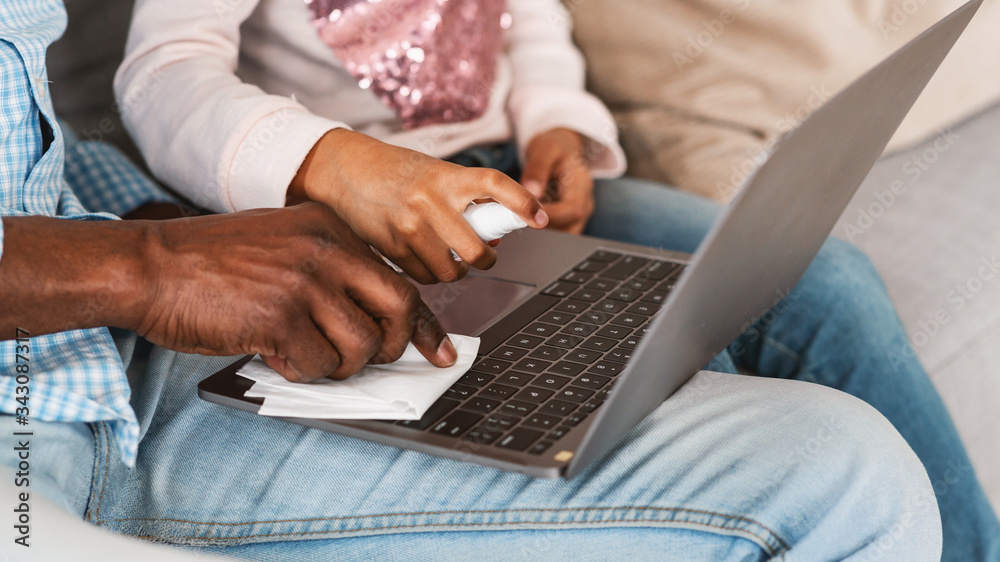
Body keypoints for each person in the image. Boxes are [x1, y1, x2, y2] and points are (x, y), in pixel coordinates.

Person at [0, 4, 940, 556]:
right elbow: (164, 80)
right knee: (691, 367)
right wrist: (325, 164)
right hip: (356, 202)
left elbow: (532, 19)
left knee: (822, 287)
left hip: (506, 184)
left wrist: (556, 120)